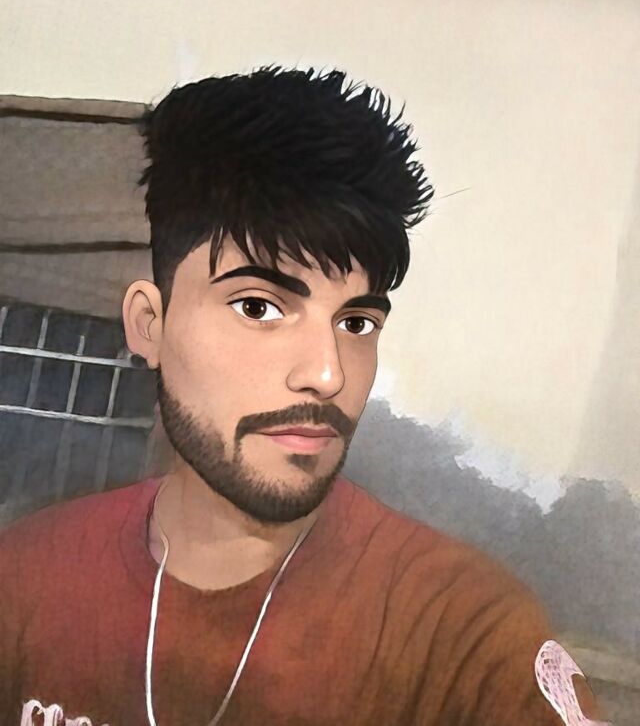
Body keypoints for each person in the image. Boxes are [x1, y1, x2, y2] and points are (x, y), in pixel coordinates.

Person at [0, 67, 607, 725]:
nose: (327, 373)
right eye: (258, 306)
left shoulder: (466, 636)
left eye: (356, 323)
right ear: (150, 324)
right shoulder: (26, 577)